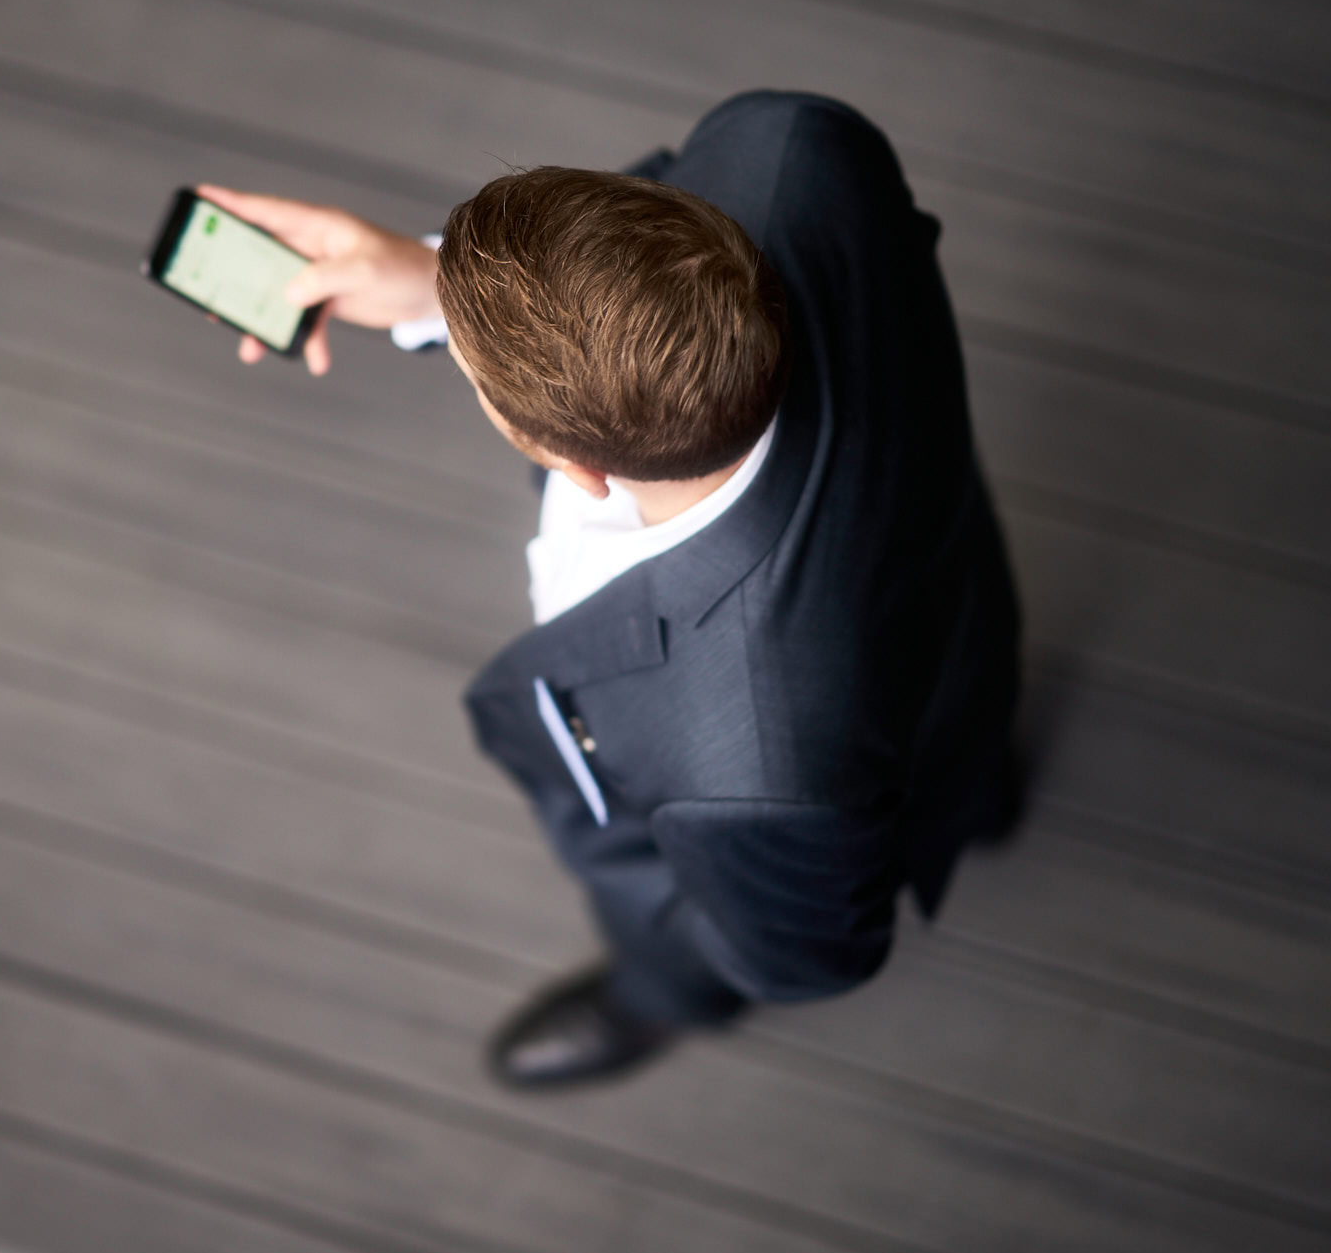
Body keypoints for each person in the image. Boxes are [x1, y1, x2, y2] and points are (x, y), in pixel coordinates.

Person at [201, 91, 1020, 1088]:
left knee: (776, 882)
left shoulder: (751, 774)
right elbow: (669, 213)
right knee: (946, 750)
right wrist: (427, 284)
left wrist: (684, 955)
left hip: (780, 775)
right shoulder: (790, 146)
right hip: (943, 602)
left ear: (567, 465)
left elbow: (805, 959)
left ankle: (663, 994)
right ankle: (969, 791)